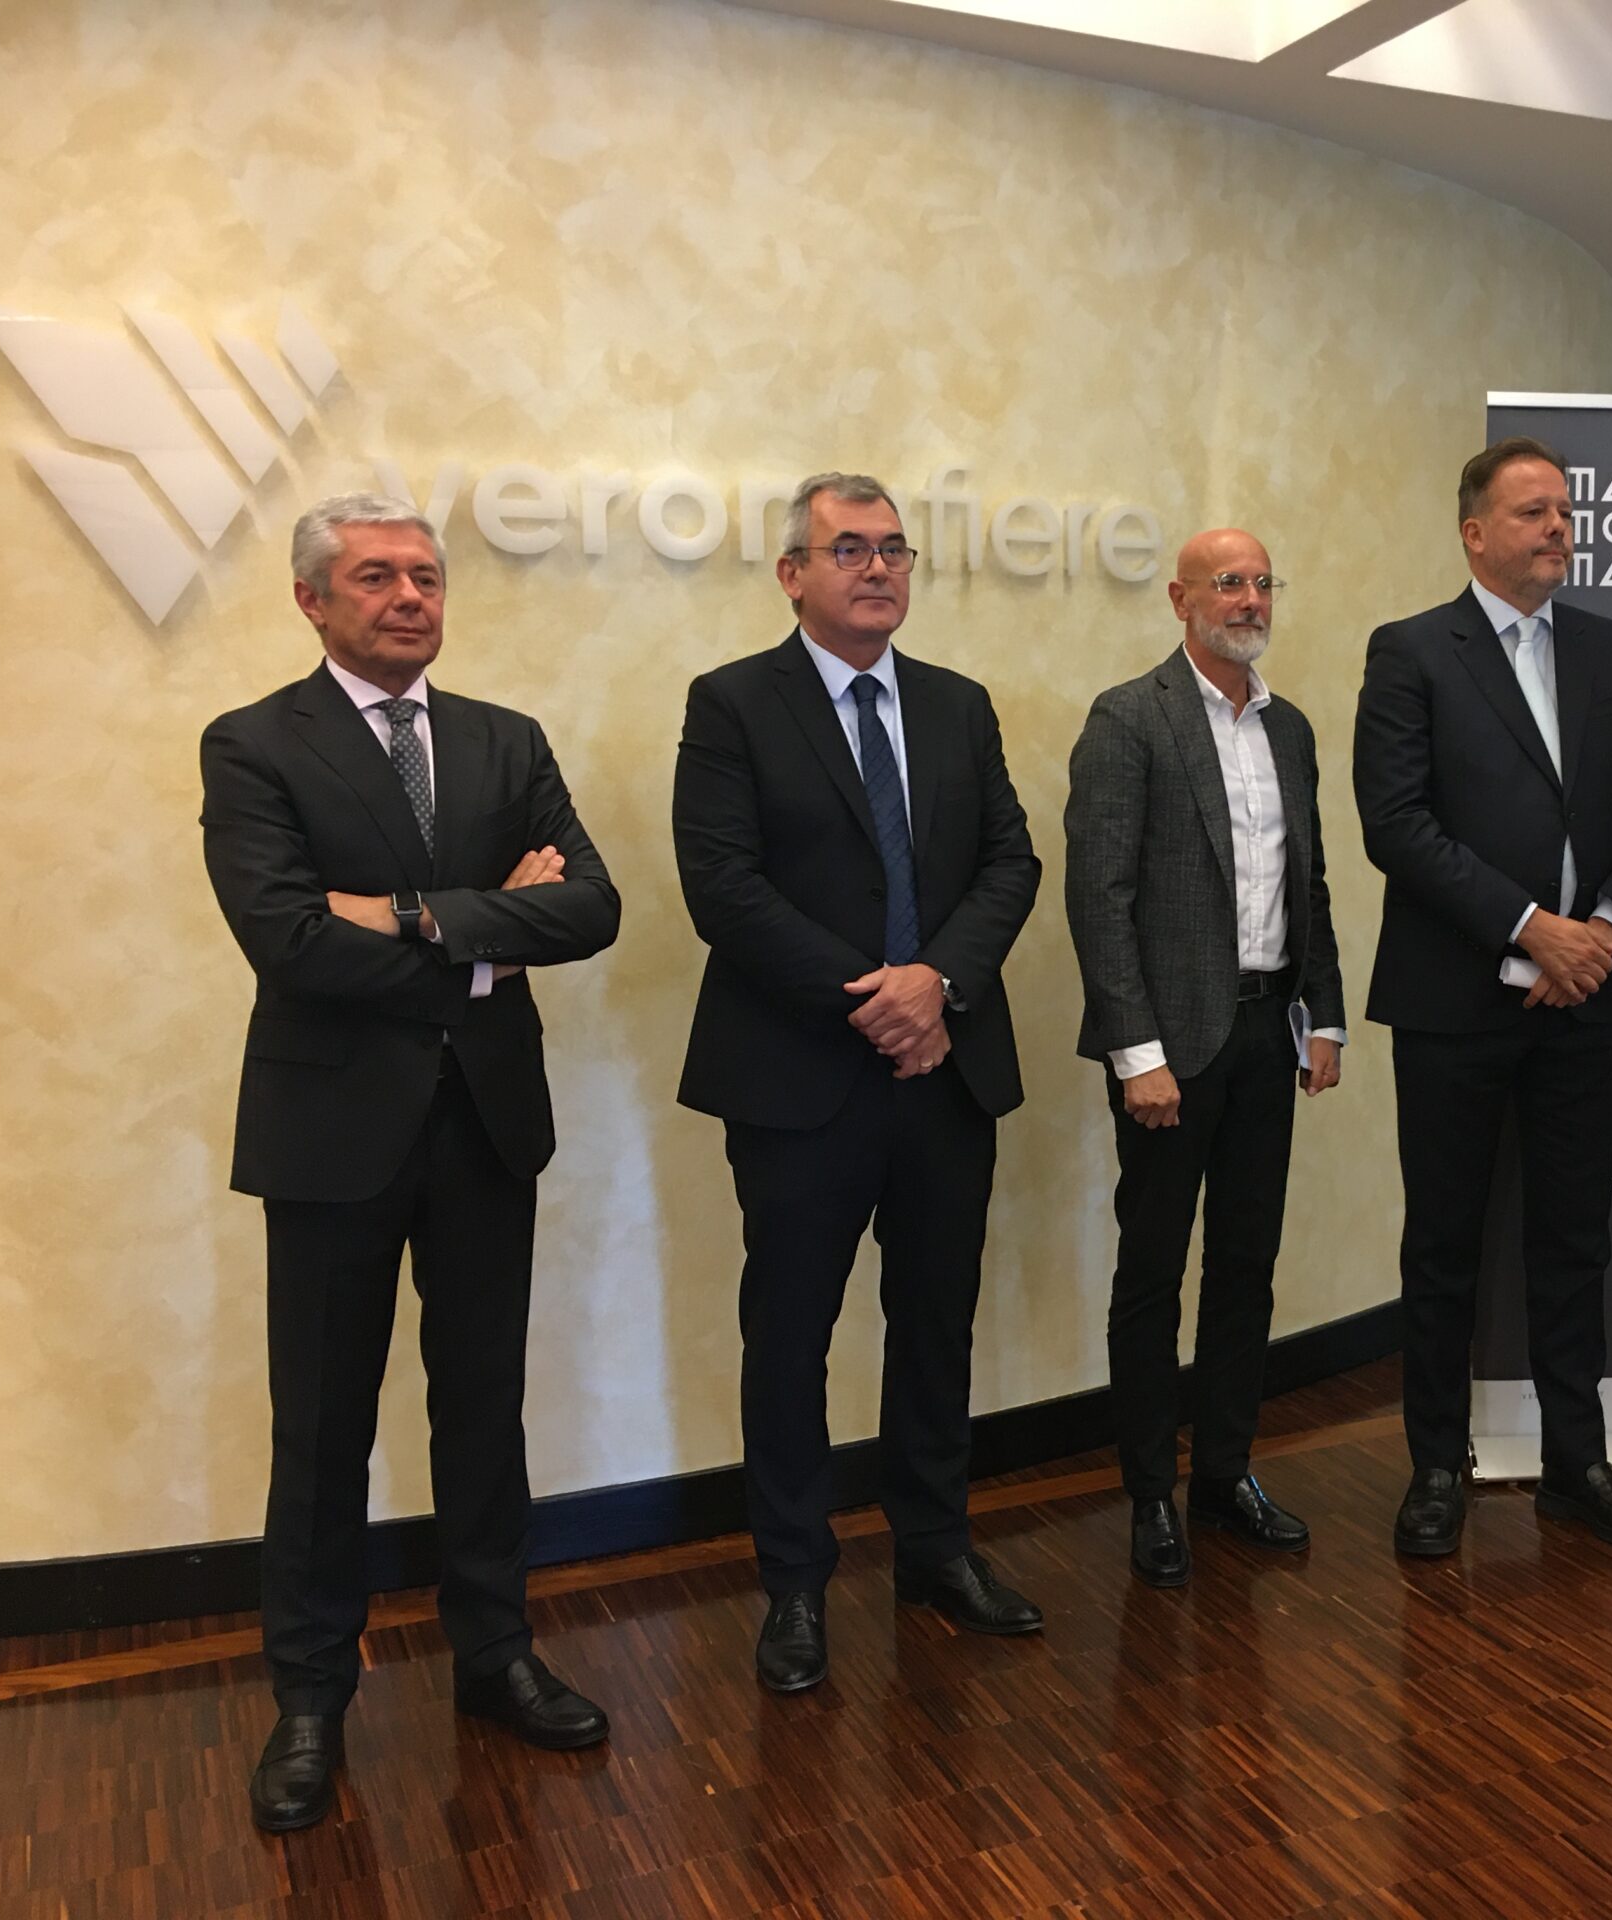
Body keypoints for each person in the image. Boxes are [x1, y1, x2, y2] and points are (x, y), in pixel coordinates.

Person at [200, 493, 622, 1832]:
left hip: (484, 1123)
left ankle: (495, 1654)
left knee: (483, 1406)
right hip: (331, 1134)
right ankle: (311, 1699)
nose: (409, 597)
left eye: (427, 576)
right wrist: (493, 936)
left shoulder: (505, 739)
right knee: (322, 1427)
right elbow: (288, 941)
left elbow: (591, 907)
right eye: (376, 576)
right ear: (312, 600)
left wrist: (406, 913)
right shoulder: (255, 743)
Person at [674, 470, 1043, 1688]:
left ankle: (936, 1548)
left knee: (935, 1324)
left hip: (946, 1069)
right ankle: (793, 1581)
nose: (877, 568)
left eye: (893, 549)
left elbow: (1010, 862)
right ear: (792, 574)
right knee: (790, 1336)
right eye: (848, 549)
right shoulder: (732, 704)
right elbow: (723, 887)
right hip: (800, 1079)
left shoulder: (956, 704)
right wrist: (878, 1001)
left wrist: (938, 983)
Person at [1353, 436, 1612, 1557]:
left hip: (1587, 1000)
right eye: (1533, 511)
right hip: (1455, 1004)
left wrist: (1598, 935)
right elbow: (1396, 825)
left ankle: (1574, 1464)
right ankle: (1435, 1468)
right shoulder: (1411, 651)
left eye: (1565, 511)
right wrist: (1530, 928)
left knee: (1574, 1242)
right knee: (1444, 1246)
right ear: (1474, 532)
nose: (1557, 528)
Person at [1063, 528, 1347, 1588]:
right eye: (1228, 582)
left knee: (1245, 1267)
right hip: (1169, 1051)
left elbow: (1309, 882)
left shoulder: (1292, 729)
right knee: (1151, 1275)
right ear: (1180, 599)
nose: (1249, 599)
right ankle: (1150, 1492)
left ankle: (1224, 1474)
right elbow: (1100, 897)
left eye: (1263, 582)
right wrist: (1135, 1054)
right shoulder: (1127, 719)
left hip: (1269, 1036)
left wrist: (1325, 1016)